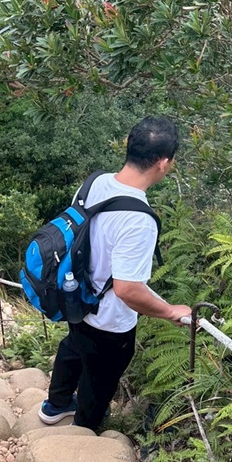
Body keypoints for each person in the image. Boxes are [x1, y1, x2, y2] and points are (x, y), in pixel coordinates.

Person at [39, 116, 192, 430]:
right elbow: (127, 289)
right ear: (163, 163)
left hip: (76, 297)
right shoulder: (139, 220)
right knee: (100, 380)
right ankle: (84, 433)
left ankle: (56, 405)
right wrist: (169, 311)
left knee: (73, 345)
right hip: (109, 320)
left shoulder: (94, 182)